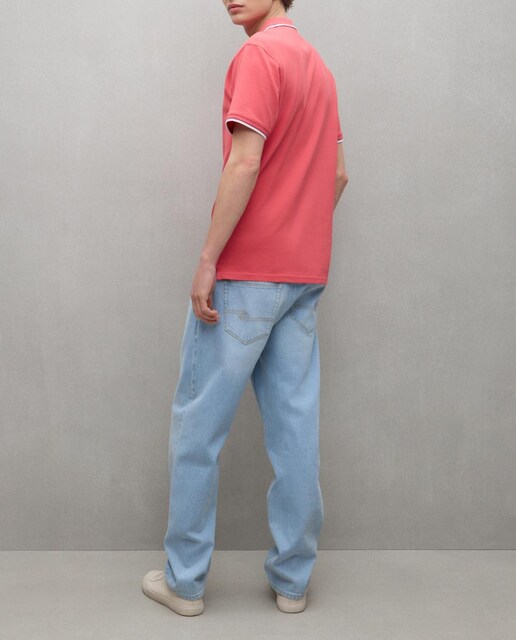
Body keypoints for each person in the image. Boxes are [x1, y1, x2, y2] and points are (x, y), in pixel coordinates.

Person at [142, 0, 349, 616]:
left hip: (246, 274)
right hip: (302, 276)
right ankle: (292, 582)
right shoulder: (319, 67)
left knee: (198, 428)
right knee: (295, 430)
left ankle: (184, 583)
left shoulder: (260, 55)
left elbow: (245, 159)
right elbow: (338, 174)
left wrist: (209, 258)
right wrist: (297, 230)